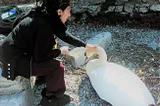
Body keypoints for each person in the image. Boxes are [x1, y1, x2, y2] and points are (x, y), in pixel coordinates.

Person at [0, 0, 98, 106]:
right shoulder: (44, 26)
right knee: (57, 67)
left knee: (49, 52)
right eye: (68, 10)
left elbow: (63, 34)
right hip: (13, 62)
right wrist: (60, 51)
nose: (69, 14)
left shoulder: (44, 15)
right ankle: (51, 100)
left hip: (12, 52)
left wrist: (85, 45)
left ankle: (43, 79)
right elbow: (40, 57)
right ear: (59, 12)